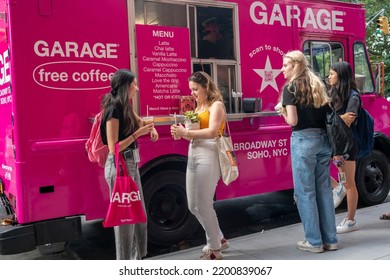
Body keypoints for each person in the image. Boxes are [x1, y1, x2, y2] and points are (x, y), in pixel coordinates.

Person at [280, 50, 337, 253]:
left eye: (285, 65)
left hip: (303, 141)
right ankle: (330, 239)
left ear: (295, 65)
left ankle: (313, 241)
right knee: (323, 191)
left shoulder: (290, 88)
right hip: (323, 141)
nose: (282, 69)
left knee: (305, 192)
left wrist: (284, 111)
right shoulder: (318, 86)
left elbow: (293, 121)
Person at [100, 69, 159, 260]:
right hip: (119, 165)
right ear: (126, 87)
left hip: (130, 162)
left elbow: (141, 122)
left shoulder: (125, 106)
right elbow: (112, 147)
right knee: (125, 221)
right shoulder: (114, 111)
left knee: (138, 215)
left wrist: (151, 129)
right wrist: (138, 134)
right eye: (134, 84)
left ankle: (137, 258)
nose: (138, 88)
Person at [170, 71, 229, 260]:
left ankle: (214, 249)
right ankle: (220, 238)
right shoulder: (197, 108)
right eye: (191, 90)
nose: (192, 93)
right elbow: (193, 133)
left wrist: (187, 133)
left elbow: (212, 132)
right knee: (193, 205)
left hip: (209, 153)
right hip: (194, 151)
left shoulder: (216, 105)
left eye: (195, 89)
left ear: (206, 87)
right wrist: (181, 133)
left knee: (204, 204)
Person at [328, 61, 360, 234]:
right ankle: (337, 188)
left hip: (347, 145)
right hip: (335, 144)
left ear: (340, 76)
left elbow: (348, 121)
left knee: (350, 184)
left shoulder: (353, 96)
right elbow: (338, 118)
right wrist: (338, 118)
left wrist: (333, 119)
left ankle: (351, 220)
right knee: (323, 172)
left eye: (331, 74)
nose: (329, 77)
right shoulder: (332, 93)